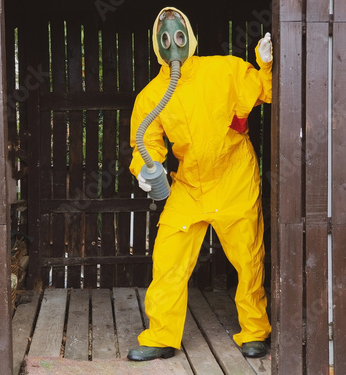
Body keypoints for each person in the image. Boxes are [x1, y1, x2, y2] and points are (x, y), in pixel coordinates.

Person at [127, 6, 273, 361]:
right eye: (165, 39)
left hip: (233, 176)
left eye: (179, 36)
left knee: (247, 257)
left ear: (190, 38)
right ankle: (161, 336)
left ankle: (254, 330)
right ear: (156, 45)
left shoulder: (223, 69)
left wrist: (264, 62)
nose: (173, 44)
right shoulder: (152, 96)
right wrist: (145, 170)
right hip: (189, 185)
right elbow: (143, 143)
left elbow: (264, 91)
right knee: (168, 257)